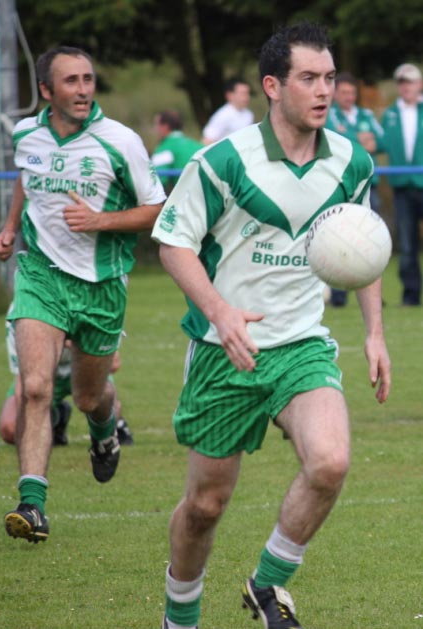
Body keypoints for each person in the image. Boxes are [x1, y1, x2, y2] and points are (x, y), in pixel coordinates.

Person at [152, 22, 391, 629]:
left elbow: (360, 247)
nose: (324, 91)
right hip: (224, 349)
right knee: (206, 505)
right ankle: (180, 615)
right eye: (308, 78)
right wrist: (220, 311)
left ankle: (268, 584)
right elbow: (173, 244)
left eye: (330, 78)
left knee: (331, 462)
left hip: (302, 343)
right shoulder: (223, 161)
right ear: (272, 86)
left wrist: (374, 333)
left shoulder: (352, 161)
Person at [0, 45, 165, 544]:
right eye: (71, 81)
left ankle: (104, 429)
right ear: (46, 90)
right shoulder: (27, 133)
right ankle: (33, 503)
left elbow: (159, 210)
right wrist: (8, 229)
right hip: (40, 276)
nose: (84, 89)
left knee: (90, 396)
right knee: (36, 387)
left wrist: (100, 220)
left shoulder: (120, 142)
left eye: (89, 79)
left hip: (101, 287)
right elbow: (28, 177)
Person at [0, 307, 134, 447]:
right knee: (11, 428)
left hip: (84, 365)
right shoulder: (20, 314)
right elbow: (23, 381)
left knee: (104, 410)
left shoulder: (86, 298)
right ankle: (56, 416)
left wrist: (80, 342)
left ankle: (116, 424)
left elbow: (113, 364)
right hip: (42, 374)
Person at [325, 71, 385, 306]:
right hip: (338, 185)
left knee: (370, 240)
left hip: (369, 186)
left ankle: (370, 295)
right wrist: (359, 139)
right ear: (335, 93)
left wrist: (359, 139)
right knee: (334, 239)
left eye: (352, 92)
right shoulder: (328, 116)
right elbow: (329, 140)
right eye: (344, 92)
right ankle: (338, 295)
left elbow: (381, 141)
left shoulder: (366, 115)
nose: (349, 96)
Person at [381, 63, 423, 306]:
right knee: (407, 245)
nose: (405, 86)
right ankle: (411, 296)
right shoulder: (390, 114)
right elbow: (379, 142)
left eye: (410, 81)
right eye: (402, 82)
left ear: (419, 84)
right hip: (402, 187)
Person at [151, 110, 203, 192]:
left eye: (157, 125)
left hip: (184, 198)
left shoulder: (164, 148)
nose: (155, 129)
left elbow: (156, 181)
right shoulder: (199, 145)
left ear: (165, 126)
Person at [201, 77, 254, 144]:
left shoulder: (249, 114)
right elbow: (207, 140)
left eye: (248, 93)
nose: (246, 97)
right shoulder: (223, 115)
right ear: (230, 95)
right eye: (242, 93)